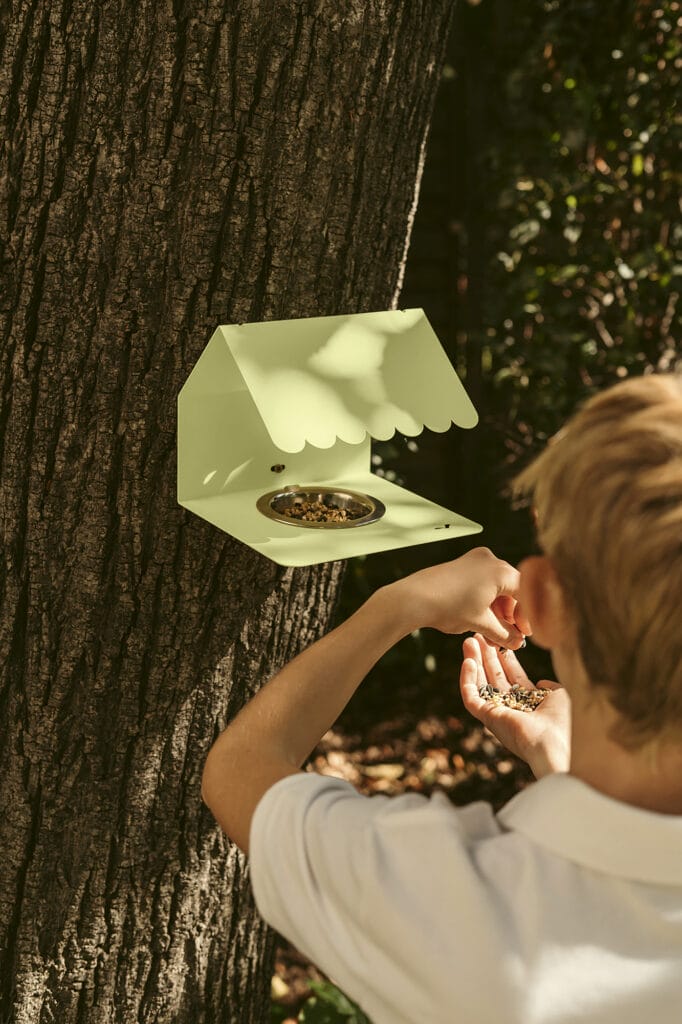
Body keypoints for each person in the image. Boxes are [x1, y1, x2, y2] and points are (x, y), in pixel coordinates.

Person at [202, 373, 682, 1024]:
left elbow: (239, 768)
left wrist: (403, 604)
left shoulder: (456, 910)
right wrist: (563, 765)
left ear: (540, 599)